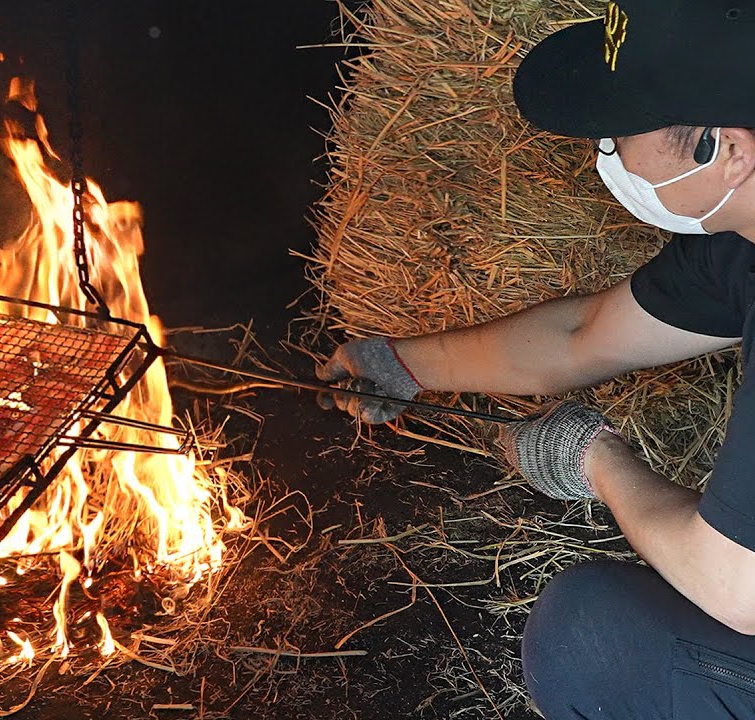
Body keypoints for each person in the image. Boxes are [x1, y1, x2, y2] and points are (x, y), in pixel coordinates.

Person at [318, 1, 755, 717]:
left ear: (726, 149)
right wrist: (403, 364)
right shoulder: (741, 240)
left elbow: (739, 587)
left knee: (590, 641)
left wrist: (595, 460)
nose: (604, 151)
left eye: (622, 126)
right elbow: (582, 334)